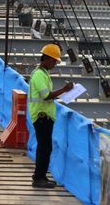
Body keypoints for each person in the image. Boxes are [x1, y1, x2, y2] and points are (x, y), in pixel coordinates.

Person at [29, 44, 74, 189]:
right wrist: (64, 90)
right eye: (54, 61)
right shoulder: (39, 75)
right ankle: (38, 178)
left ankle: (41, 176)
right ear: (46, 58)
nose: (55, 64)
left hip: (45, 116)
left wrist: (63, 92)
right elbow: (46, 96)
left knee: (45, 147)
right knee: (44, 148)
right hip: (41, 116)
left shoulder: (44, 74)